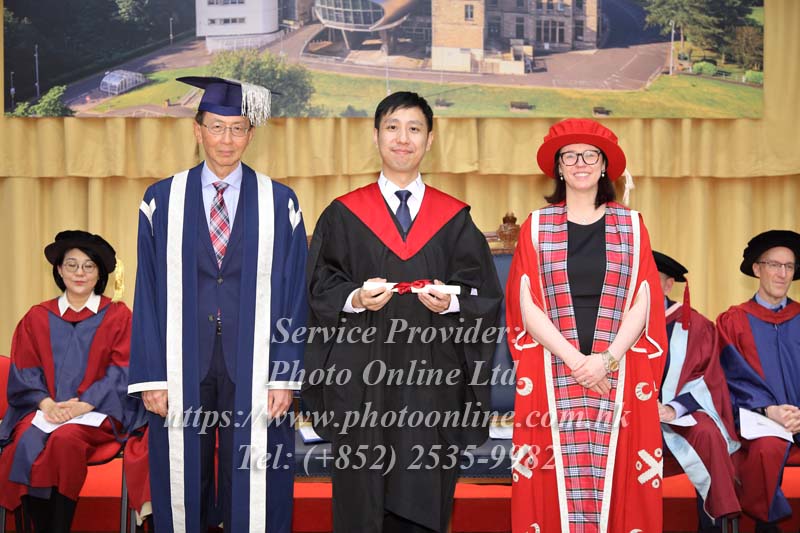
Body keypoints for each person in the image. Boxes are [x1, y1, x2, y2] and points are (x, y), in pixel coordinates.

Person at [303, 91, 502, 533]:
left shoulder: (453, 219)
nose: (403, 138)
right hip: (362, 380)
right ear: (375, 136)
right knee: (362, 497)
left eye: (414, 129)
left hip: (432, 381)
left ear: (430, 140)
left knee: (424, 492)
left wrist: (452, 301)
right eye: (392, 127)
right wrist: (355, 298)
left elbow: (484, 294)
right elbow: (319, 287)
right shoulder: (344, 214)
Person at [128, 77, 308, 532]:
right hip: (181, 358)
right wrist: (152, 376)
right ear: (197, 130)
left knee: (253, 474)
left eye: (237, 128)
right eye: (216, 127)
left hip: (256, 359)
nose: (227, 139)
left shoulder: (280, 202)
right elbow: (147, 290)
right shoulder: (161, 199)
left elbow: (294, 294)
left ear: (250, 134)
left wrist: (284, 375)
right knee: (182, 474)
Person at [505, 118, 667, 533]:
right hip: (553, 366)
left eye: (590, 155)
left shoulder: (631, 226)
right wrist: (578, 362)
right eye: (570, 156)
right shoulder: (537, 226)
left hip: (619, 370)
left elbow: (644, 299)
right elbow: (525, 303)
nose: (580, 163)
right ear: (558, 167)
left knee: (620, 479)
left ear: (604, 165)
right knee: (551, 483)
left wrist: (606, 360)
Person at [0, 230, 149, 532]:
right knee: (24, 442)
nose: (79, 273)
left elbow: (122, 371)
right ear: (59, 269)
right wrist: (46, 404)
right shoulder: (37, 317)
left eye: (88, 266)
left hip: (97, 413)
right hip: (44, 411)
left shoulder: (118, 316)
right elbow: (25, 369)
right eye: (71, 265)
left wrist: (83, 405)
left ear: (100, 273)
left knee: (65, 440)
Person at [717, 230, 800, 533]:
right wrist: (768, 410)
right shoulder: (733, 321)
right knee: (766, 448)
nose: (782, 274)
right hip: (758, 420)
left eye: (788, 266)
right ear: (757, 269)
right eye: (774, 265)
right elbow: (729, 378)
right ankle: (767, 524)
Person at [653, 250, 740, 532]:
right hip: (627, 414)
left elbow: (708, 377)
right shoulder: (613, 323)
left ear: (669, 285)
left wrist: (673, 408)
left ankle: (714, 524)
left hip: (679, 413)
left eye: (652, 279)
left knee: (708, 433)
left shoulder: (695, 326)